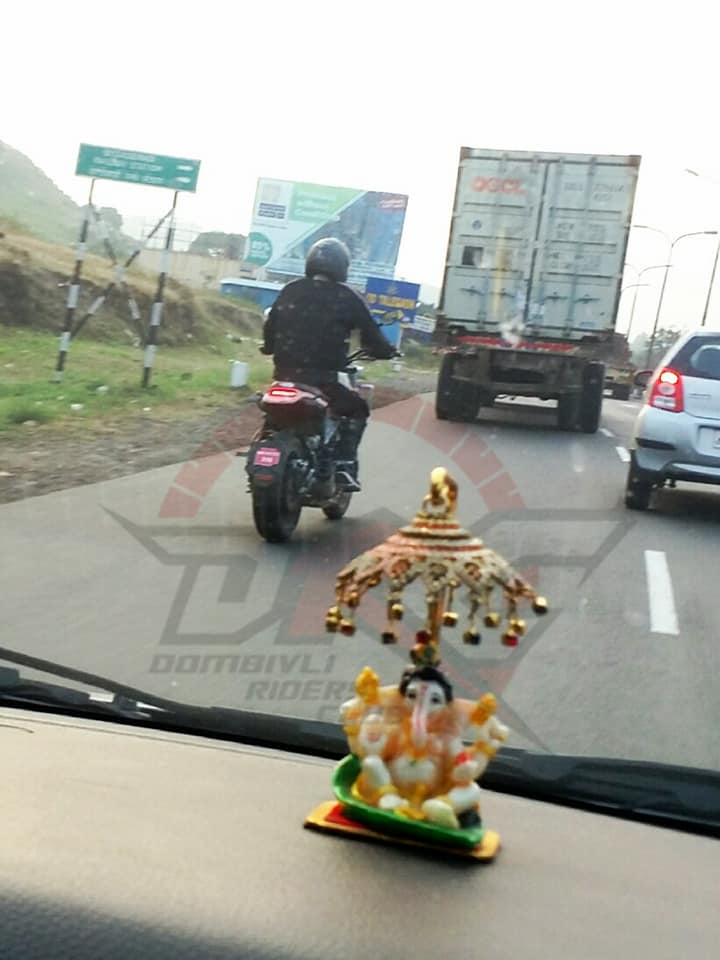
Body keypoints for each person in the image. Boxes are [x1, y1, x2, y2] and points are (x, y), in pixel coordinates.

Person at [261, 238, 396, 491]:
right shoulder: (347, 296)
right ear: (342, 266)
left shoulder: (290, 290)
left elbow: (271, 325)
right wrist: (386, 351)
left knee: (269, 411)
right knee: (357, 410)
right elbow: (371, 333)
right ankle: (344, 465)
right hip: (325, 379)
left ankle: (264, 442)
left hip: (284, 376)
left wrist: (268, 347)